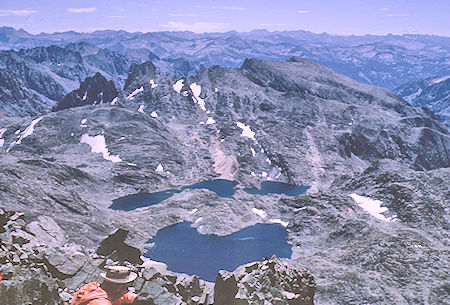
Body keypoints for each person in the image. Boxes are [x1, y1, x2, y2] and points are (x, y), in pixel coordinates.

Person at [71, 265, 138, 305]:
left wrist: (140, 299)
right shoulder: (101, 303)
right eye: (126, 288)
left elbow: (123, 297)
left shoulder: (92, 287)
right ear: (119, 288)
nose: (126, 292)